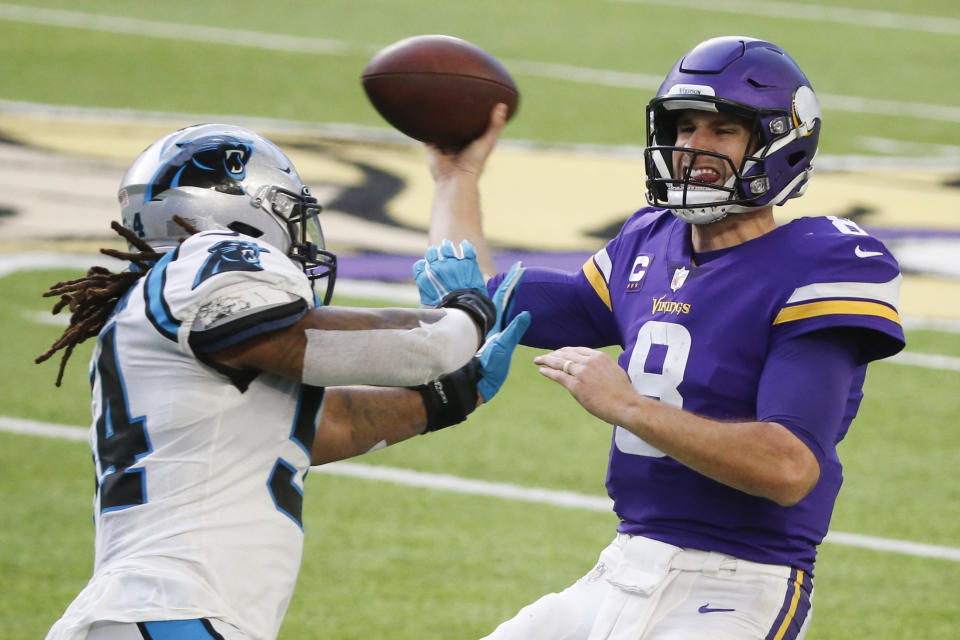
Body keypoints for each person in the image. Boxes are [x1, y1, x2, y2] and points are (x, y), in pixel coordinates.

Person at [422, 36, 906, 639]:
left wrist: (628, 406)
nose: (692, 147)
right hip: (623, 565)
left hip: (739, 583)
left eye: (722, 129)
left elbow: (788, 467)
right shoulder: (649, 241)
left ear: (780, 142)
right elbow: (481, 299)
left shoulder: (823, 262)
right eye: (683, 129)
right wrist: (456, 178)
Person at [37, 123, 530, 640]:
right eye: (289, 214)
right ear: (239, 211)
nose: (299, 238)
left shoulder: (159, 306)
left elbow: (313, 426)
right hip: (174, 610)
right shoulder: (205, 260)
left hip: (165, 611)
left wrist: (449, 396)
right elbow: (326, 345)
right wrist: (464, 315)